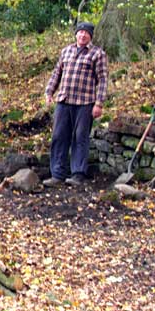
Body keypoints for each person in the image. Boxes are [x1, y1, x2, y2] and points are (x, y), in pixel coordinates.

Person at [43, 21, 108, 187]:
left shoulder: (97, 54)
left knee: (80, 138)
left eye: (86, 33)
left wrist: (99, 104)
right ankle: (57, 175)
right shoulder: (66, 51)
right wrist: (49, 91)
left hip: (85, 102)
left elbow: (102, 80)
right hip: (64, 100)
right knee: (59, 136)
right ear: (76, 34)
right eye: (80, 32)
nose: (83, 35)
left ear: (90, 36)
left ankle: (78, 174)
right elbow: (57, 72)